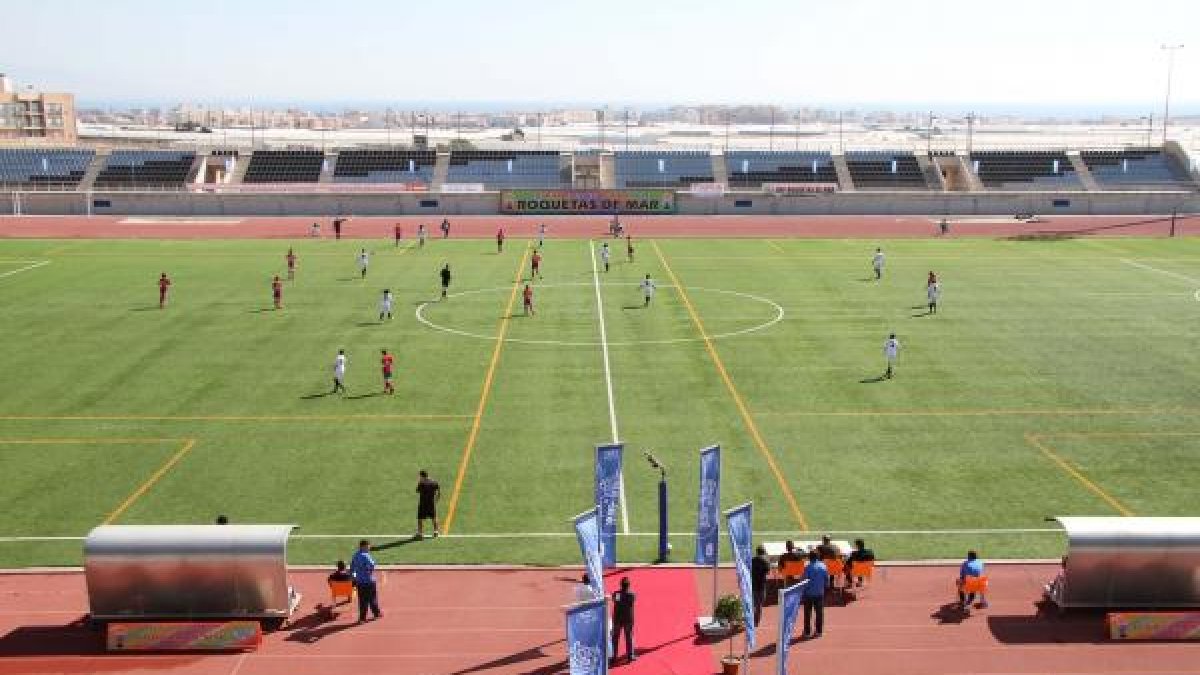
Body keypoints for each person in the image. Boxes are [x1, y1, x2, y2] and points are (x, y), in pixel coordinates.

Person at [349, 540, 382, 623]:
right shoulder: (366, 555)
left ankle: (362, 618)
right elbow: (372, 565)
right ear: (363, 546)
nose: (369, 548)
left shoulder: (355, 555)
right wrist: (369, 571)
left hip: (360, 582)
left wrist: (353, 577)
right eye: (368, 546)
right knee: (372, 599)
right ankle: (376, 613)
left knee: (362, 601)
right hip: (369, 581)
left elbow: (351, 568)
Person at [801, 550, 829, 638]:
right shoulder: (823, 566)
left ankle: (807, 632)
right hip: (819, 593)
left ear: (809, 557)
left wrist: (803, 592)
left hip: (808, 593)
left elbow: (804, 581)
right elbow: (826, 580)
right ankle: (819, 631)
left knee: (807, 613)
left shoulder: (807, 567)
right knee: (819, 613)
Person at [610, 576, 636, 664]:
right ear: (628, 585)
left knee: (615, 638)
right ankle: (630, 656)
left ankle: (614, 656)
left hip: (617, 619)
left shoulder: (617, 594)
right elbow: (631, 602)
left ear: (621, 585)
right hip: (628, 619)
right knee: (629, 637)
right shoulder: (631, 594)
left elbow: (615, 601)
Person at [415, 470, 440, 538]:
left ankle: (420, 533)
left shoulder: (421, 483)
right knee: (434, 517)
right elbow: (438, 492)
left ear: (422, 476)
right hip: (431, 503)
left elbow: (417, 490)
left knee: (420, 519)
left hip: (423, 503)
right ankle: (436, 531)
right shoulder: (434, 482)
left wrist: (419, 482)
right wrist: (436, 500)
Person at [751, 545, 771, 626]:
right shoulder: (765, 561)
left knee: (753, 604)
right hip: (762, 585)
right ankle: (756, 621)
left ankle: (752, 619)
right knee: (759, 605)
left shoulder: (752, 560)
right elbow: (768, 572)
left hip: (754, 584)